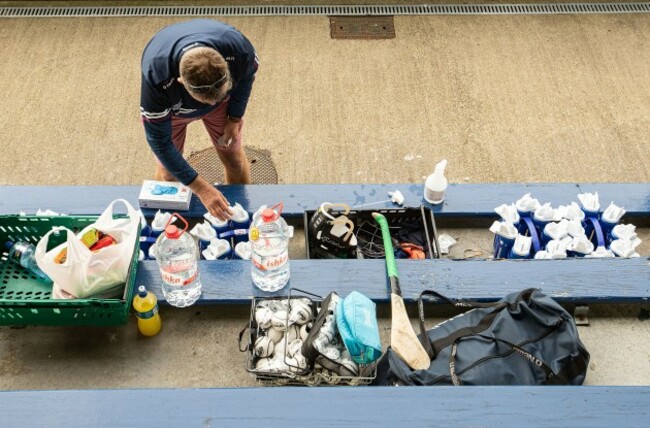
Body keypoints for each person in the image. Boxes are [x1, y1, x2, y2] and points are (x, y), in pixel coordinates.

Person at [140, 19, 259, 220]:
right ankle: (170, 225)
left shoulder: (239, 51)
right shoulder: (157, 74)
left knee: (234, 159)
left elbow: (247, 78)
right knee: (169, 173)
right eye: (205, 100)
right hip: (173, 112)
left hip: (224, 108)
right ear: (181, 81)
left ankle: (241, 216)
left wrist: (234, 117)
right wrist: (201, 189)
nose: (209, 105)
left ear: (226, 67)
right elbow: (160, 143)